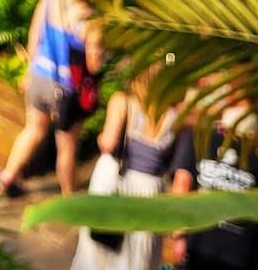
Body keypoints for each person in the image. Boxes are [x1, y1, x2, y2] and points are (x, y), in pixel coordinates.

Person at [72, 67, 195, 270]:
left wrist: (100, 139)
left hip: (114, 180)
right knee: (139, 254)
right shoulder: (177, 117)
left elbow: (109, 143)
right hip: (150, 189)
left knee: (97, 253)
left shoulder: (122, 101)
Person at [0, 0, 100, 196]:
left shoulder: (48, 1)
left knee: (33, 130)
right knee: (67, 147)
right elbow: (94, 64)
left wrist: (28, 72)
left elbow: (34, 40)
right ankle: (68, 195)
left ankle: (8, 176)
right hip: (65, 89)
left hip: (38, 76)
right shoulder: (87, 19)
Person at [184, 105, 258, 270]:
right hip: (240, 253)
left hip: (200, 244)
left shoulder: (203, 145)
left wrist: (179, 234)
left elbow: (183, 182)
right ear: (253, 136)